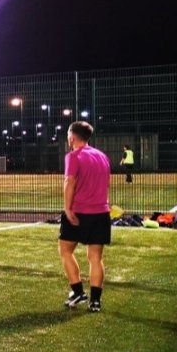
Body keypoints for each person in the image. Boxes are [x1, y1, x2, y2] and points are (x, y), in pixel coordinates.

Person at [60, 121, 111, 313]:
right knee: (95, 257)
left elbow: (69, 182)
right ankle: (95, 301)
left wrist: (67, 209)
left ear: (72, 137)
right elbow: (107, 184)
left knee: (66, 250)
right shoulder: (102, 156)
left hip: (80, 211)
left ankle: (78, 292)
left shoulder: (73, 156)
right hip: (101, 212)